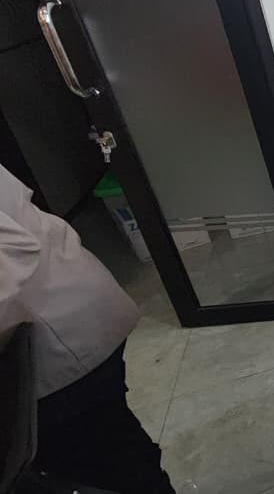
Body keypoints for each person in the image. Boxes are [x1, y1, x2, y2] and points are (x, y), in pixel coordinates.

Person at [0, 164, 174, 493]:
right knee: (115, 454)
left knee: (107, 464)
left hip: (54, 339)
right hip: (61, 314)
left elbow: (8, 258)